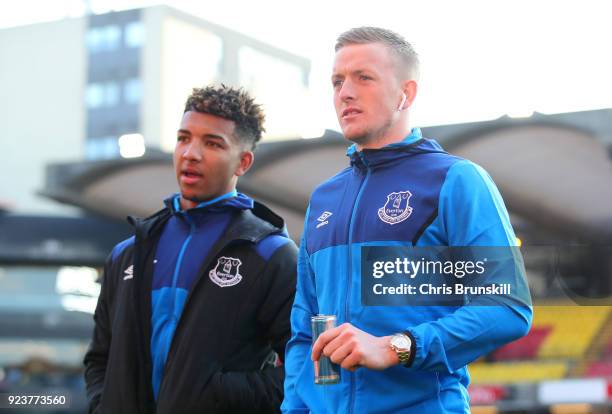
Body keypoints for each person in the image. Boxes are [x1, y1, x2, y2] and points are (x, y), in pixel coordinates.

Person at [282, 27, 532, 413]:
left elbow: (506, 308)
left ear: (406, 93)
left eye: (363, 78)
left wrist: (394, 347)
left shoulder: (456, 181)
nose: (345, 92)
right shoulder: (324, 198)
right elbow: (303, 333)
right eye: (337, 81)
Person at [84, 85, 297, 414]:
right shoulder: (128, 253)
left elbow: (303, 363)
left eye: (212, 143)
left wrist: (221, 394)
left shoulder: (271, 255)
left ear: (243, 162)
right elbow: (100, 357)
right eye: (184, 138)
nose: (190, 153)